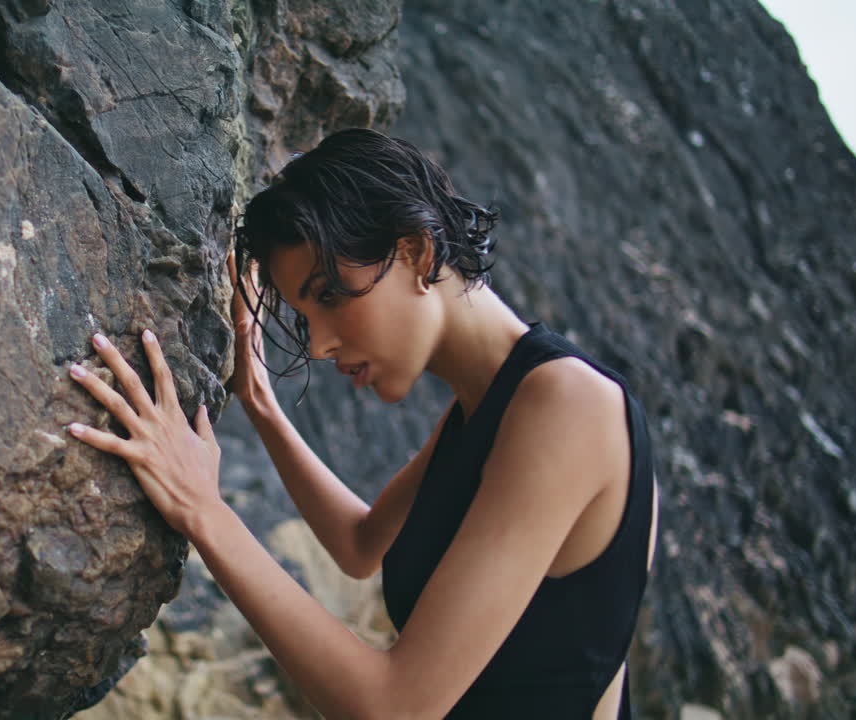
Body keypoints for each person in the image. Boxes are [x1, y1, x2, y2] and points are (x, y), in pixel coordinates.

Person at [66, 128, 659, 719]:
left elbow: (396, 707)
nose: (320, 345)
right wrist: (257, 398)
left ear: (416, 253)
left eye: (329, 295)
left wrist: (203, 509)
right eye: (304, 316)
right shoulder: (484, 405)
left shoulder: (567, 406)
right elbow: (361, 545)